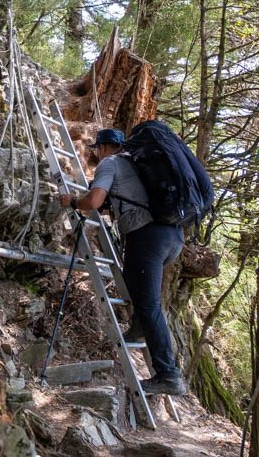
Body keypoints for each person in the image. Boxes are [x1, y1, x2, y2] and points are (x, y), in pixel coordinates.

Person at [58, 128, 187, 396]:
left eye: (97, 149)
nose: (96, 153)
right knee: (136, 285)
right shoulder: (136, 163)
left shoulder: (110, 163)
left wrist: (72, 202)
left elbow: (93, 201)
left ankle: (168, 375)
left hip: (147, 237)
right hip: (172, 236)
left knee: (150, 306)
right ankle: (139, 325)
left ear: (104, 147)